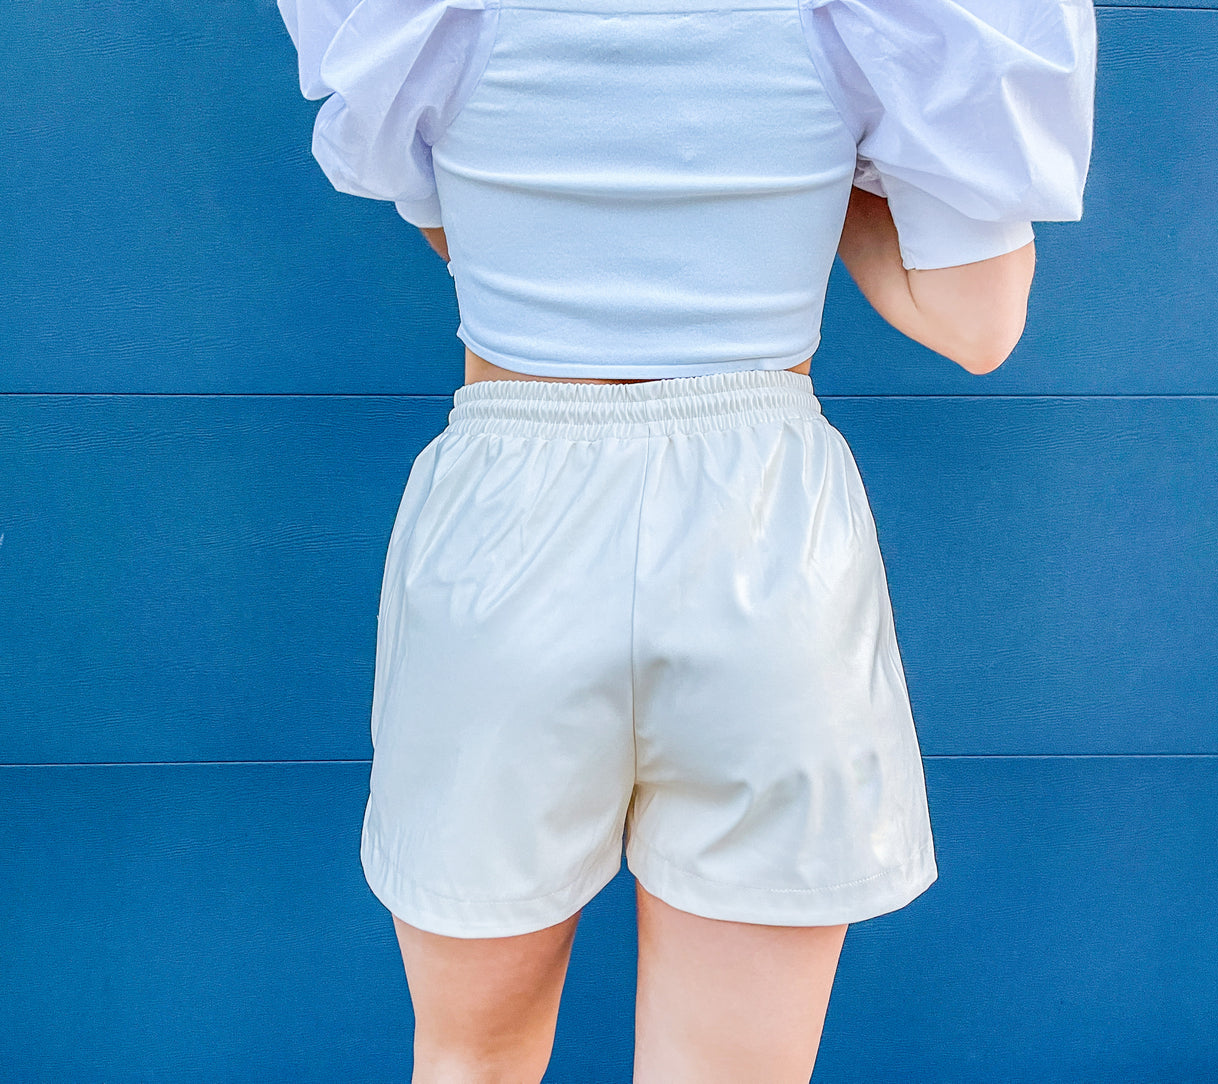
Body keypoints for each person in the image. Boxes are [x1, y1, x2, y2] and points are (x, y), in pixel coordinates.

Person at [278, 0, 1096, 1078]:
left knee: (471, 1057)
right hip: (767, 531)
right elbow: (976, 325)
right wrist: (840, 162)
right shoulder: (865, 24)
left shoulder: (433, 20)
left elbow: (457, 240)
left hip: (504, 517)